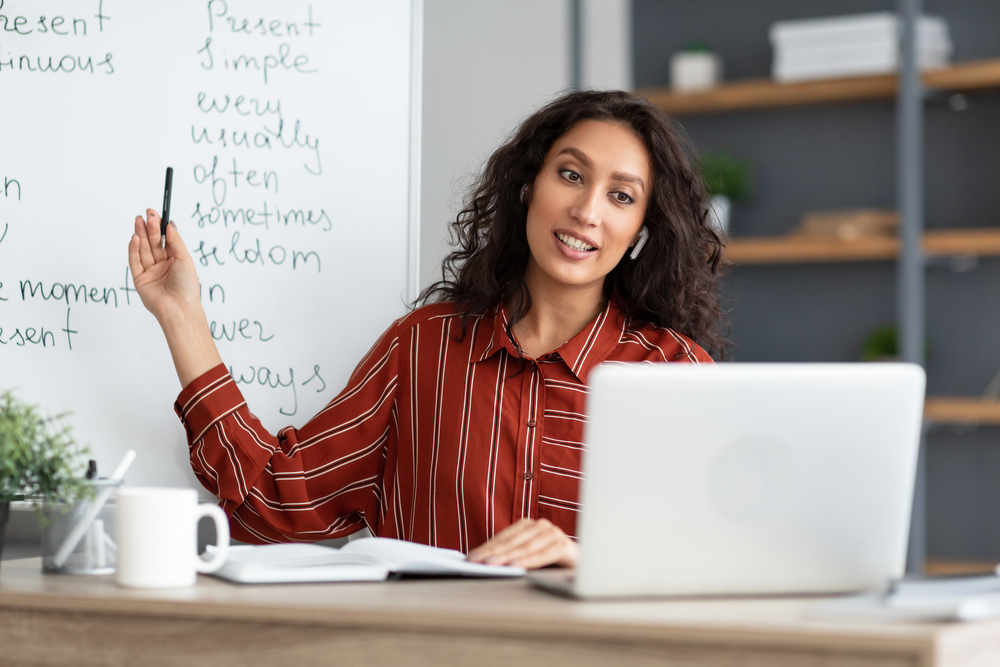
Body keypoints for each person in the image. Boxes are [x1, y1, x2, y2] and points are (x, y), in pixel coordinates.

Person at [128, 90, 727, 570]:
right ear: (528, 188)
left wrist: (587, 560)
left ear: (641, 232)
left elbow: (720, 557)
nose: (588, 210)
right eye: (571, 175)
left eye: (621, 196)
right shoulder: (423, 348)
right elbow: (275, 503)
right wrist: (182, 318)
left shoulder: (673, 375)